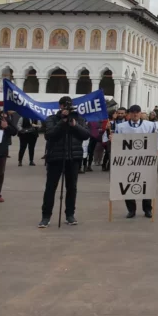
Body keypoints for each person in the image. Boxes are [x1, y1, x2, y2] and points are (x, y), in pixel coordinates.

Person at [38, 97, 90, 228]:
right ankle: (46, 216)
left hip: (73, 158)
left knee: (72, 188)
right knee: (51, 187)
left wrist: (74, 125)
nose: (67, 109)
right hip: (56, 157)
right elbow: (49, 134)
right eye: (64, 106)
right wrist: (62, 121)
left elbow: (85, 135)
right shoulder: (52, 119)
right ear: (60, 106)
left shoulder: (78, 119)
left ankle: (70, 214)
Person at [113, 105, 157, 218]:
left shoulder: (150, 125)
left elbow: (154, 142)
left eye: (137, 112)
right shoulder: (121, 126)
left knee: (145, 184)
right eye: (132, 112)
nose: (135, 114)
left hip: (144, 161)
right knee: (128, 184)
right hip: (128, 161)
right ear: (129, 114)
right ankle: (131, 209)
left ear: (140, 113)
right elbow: (117, 144)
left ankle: (147, 209)